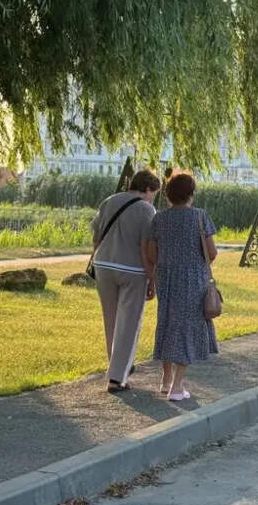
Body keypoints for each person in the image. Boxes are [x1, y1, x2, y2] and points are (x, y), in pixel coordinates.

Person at [147, 171, 218, 401]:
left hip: (166, 278)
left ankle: (166, 379)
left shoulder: (159, 219)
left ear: (169, 194)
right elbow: (212, 252)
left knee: (168, 323)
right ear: (191, 194)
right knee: (187, 327)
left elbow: (151, 253)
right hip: (192, 279)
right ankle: (177, 387)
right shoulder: (200, 217)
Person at [91, 169, 162, 392]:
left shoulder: (109, 201)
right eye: (154, 193)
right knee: (129, 322)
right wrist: (151, 278)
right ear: (148, 189)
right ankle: (117, 376)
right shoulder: (146, 209)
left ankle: (116, 364)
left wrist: (97, 259)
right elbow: (145, 247)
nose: (153, 198)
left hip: (103, 265)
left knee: (110, 319)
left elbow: (96, 236)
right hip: (132, 269)